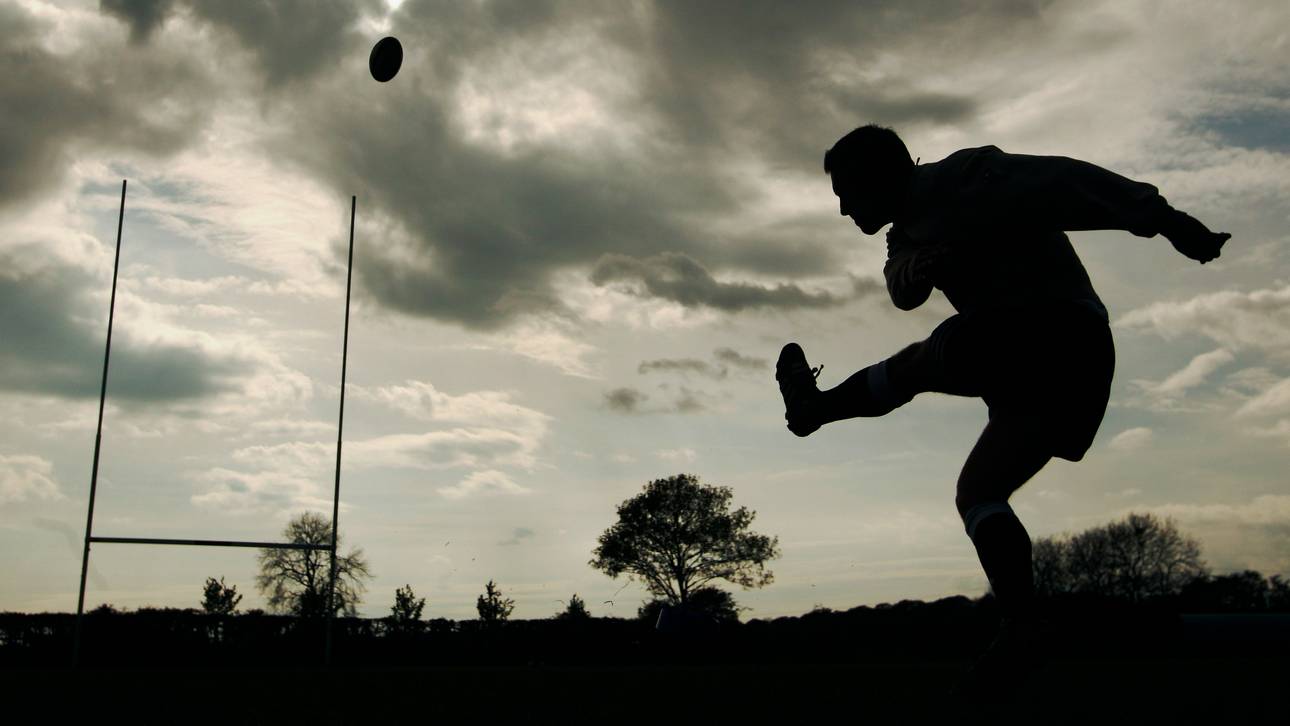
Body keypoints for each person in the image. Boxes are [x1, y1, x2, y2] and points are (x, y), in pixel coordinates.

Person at [777, 124, 1229, 689]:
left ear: (881, 177)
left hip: (1057, 334)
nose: (843, 210)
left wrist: (1164, 219)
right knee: (978, 492)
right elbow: (901, 287)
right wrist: (917, 269)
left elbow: (1064, 181)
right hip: (1059, 376)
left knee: (928, 356)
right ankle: (1023, 624)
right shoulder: (904, 237)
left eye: (847, 193)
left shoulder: (970, 178)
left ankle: (816, 410)